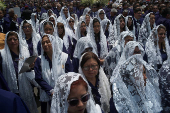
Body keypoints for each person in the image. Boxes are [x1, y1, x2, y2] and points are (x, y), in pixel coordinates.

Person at [0, 31, 38, 113]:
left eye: (15, 39)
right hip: (11, 87)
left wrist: (31, 66)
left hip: (25, 85)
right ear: (6, 41)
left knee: (28, 107)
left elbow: (28, 68)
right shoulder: (2, 54)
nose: (12, 41)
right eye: (10, 39)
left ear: (18, 40)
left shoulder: (25, 51)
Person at [34, 34, 73, 113]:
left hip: (63, 93)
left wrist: (61, 90)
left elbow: (70, 75)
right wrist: (51, 90)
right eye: (43, 43)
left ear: (53, 42)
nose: (45, 44)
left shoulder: (64, 57)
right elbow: (38, 78)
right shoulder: (40, 60)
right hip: (47, 93)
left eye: (48, 42)